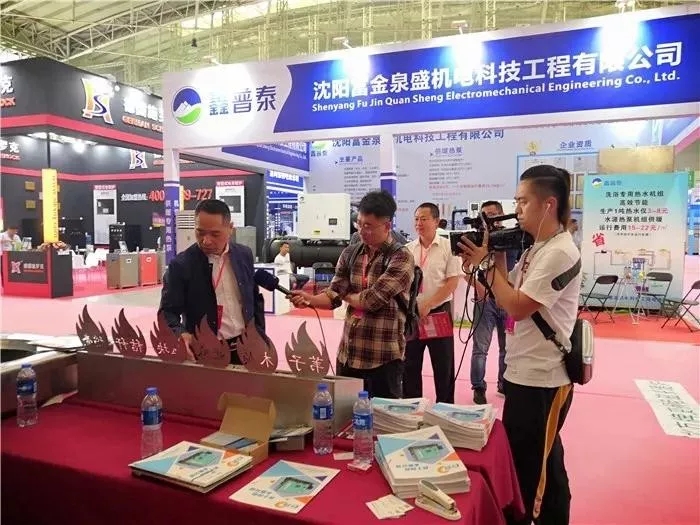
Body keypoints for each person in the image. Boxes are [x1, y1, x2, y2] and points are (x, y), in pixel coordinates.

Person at [457, 165, 580, 525]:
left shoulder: (559, 252)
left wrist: (486, 263)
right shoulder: (534, 250)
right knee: (537, 459)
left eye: (523, 202)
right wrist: (491, 255)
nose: (517, 210)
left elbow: (517, 306)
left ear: (548, 204)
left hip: (544, 378)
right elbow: (503, 292)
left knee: (534, 469)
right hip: (523, 372)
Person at [290, 190, 414, 398]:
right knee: (344, 413)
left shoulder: (401, 257)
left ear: (387, 226)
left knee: (382, 415)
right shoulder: (351, 252)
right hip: (349, 354)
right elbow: (333, 295)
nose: (362, 231)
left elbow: (371, 300)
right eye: (359, 224)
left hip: (383, 356)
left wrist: (345, 295)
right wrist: (309, 299)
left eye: (369, 226)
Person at [158, 199, 265, 364]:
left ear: (230, 229)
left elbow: (253, 298)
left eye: (215, 234)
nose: (206, 241)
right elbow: (167, 312)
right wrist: (180, 333)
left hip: (246, 345)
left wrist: (259, 334)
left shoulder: (244, 255)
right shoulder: (181, 265)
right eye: (200, 232)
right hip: (206, 350)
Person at [403, 203, 461, 403]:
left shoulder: (448, 247)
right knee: (410, 364)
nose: (419, 223)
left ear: (436, 221)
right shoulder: (407, 249)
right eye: (416, 219)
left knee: (443, 366)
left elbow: (452, 282)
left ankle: (444, 408)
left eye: (424, 219)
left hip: (438, 313)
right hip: (413, 314)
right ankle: (411, 407)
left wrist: (429, 304)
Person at [469, 201, 520, 404]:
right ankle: (478, 387)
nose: (487, 219)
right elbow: (464, 269)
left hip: (508, 299)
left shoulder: (513, 238)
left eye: (491, 214)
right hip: (485, 300)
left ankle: (504, 383)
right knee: (480, 347)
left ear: (501, 215)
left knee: (506, 347)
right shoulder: (477, 240)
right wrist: (478, 287)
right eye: (484, 215)